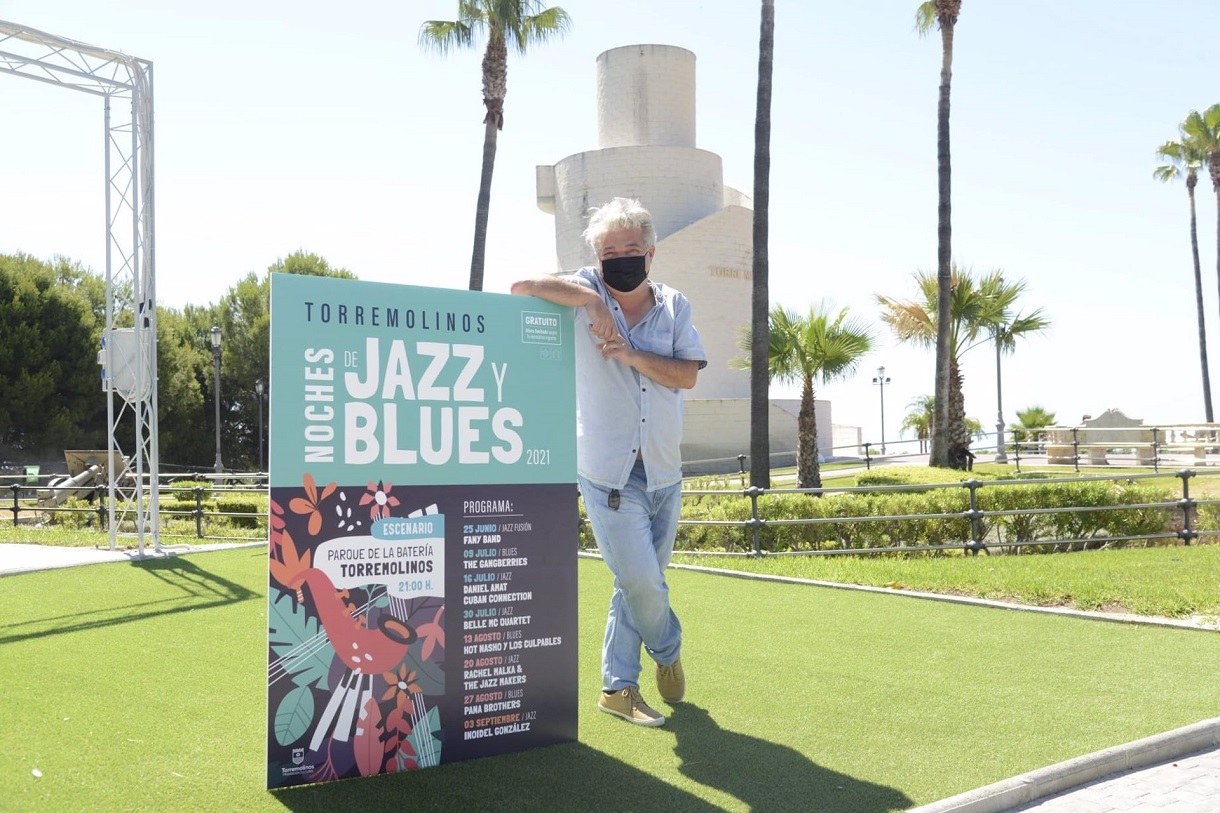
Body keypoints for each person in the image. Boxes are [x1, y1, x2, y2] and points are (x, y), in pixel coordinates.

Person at [511, 197, 706, 727]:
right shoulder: (585, 291)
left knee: (633, 582)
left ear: (650, 253)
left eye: (630, 249)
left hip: (665, 471)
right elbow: (523, 286)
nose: (620, 258)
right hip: (608, 473)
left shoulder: (674, 306)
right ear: (597, 258)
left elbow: (687, 375)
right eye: (608, 251)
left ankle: (617, 690)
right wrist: (592, 305)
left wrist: (631, 354)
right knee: (643, 583)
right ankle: (667, 651)